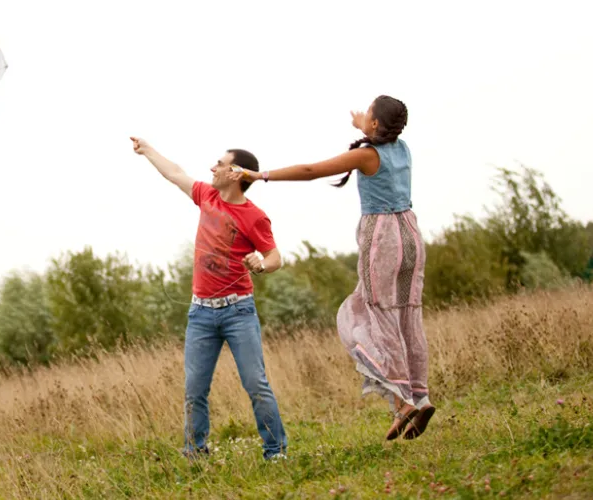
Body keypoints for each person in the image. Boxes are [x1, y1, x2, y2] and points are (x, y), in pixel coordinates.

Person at [232, 95, 434, 441]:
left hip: (382, 238)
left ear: (375, 125)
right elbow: (377, 134)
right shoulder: (402, 149)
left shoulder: (366, 155)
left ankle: (403, 402)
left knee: (373, 313)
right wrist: (362, 126)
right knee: (406, 314)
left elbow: (312, 172)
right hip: (411, 235)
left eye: (369, 114)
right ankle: (420, 395)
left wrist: (258, 174)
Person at [131, 137, 288, 460]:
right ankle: (195, 453)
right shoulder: (207, 195)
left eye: (219, 163)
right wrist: (147, 150)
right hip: (200, 314)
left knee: (256, 385)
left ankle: (276, 452)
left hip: (238, 312)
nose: (212, 168)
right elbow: (175, 173)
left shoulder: (254, 217)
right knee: (194, 391)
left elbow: (275, 258)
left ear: (235, 173)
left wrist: (261, 264)